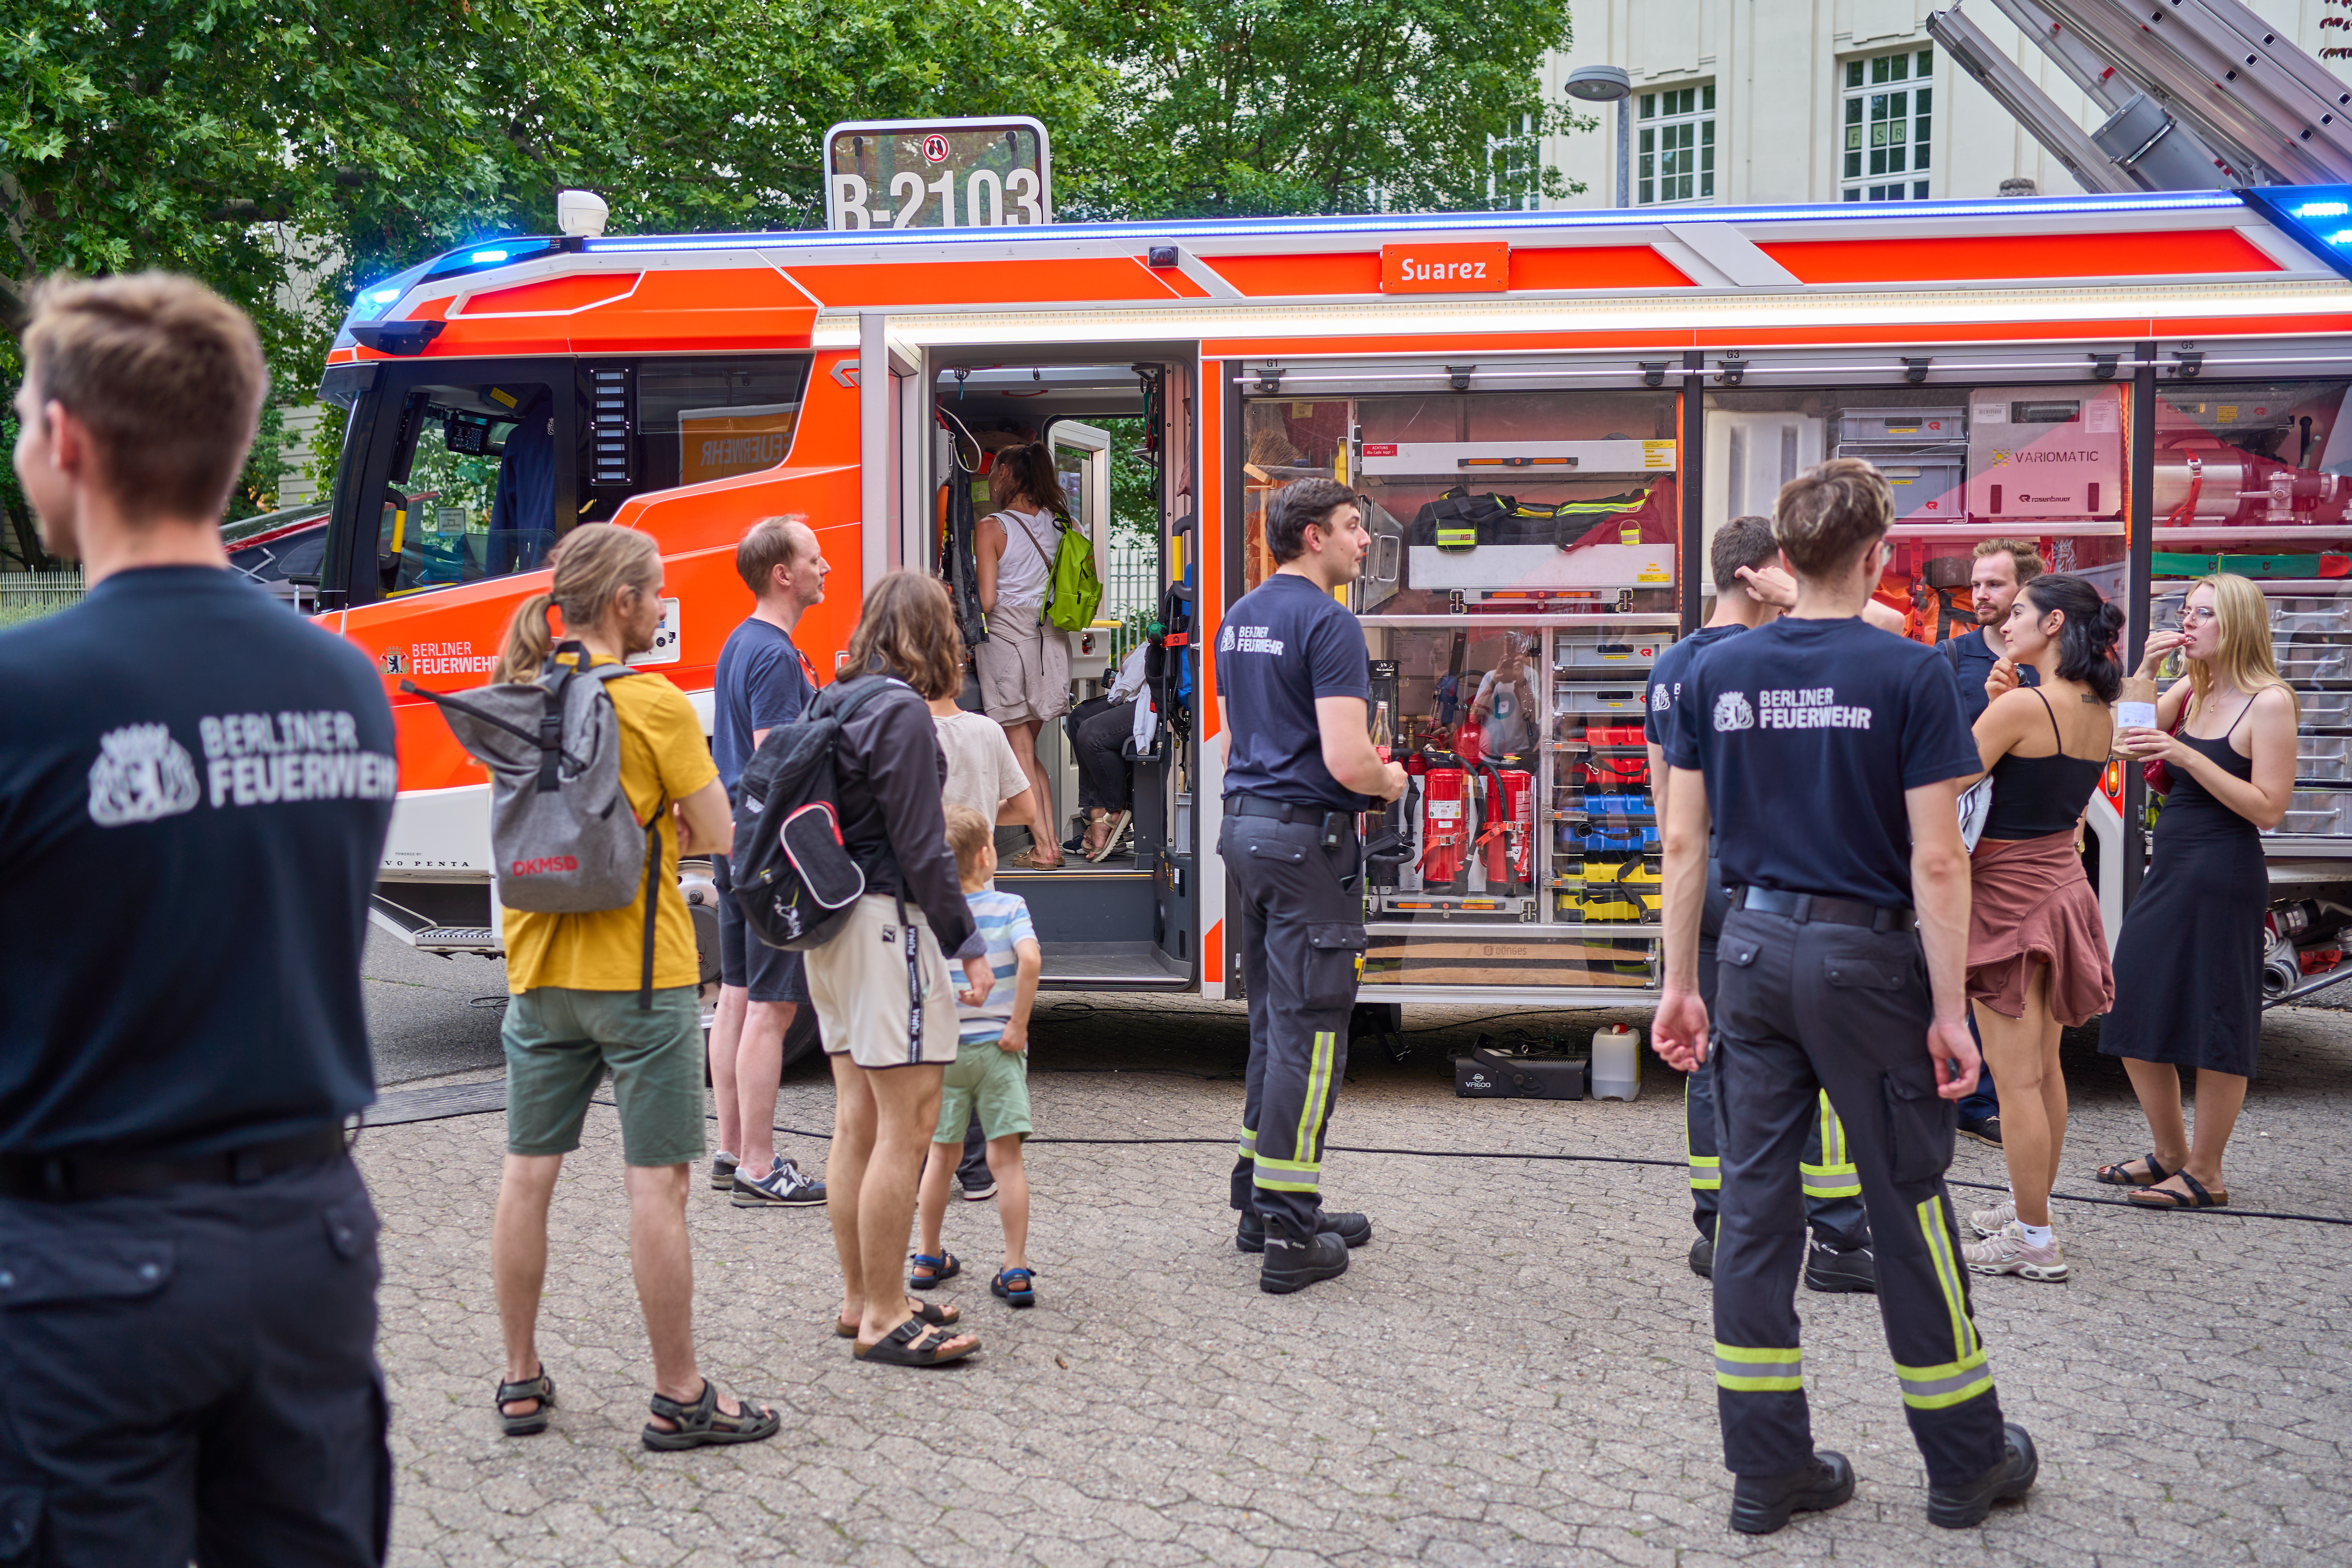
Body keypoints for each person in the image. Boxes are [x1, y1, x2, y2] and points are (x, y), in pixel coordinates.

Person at [0, 272, 396, 1563]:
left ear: (67, 441)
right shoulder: (346, 687)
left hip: (87, 1266)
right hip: (310, 1245)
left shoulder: (29, 691)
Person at [1655, 458, 2036, 1535]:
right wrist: (1952, 1009)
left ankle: (1767, 1469)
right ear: (1877, 556)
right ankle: (1967, 1460)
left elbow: (1683, 839)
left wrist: (1681, 982)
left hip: (1750, 954)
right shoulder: (1910, 674)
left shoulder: (1720, 673)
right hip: (1866, 965)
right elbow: (1940, 863)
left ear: (1782, 557)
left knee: (1755, 1213)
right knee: (1907, 1199)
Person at [487, 524, 782, 1450]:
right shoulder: (651, 705)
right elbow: (723, 830)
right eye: (655, 593)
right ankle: (678, 1391)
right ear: (622, 603)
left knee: (526, 1177)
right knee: (657, 1187)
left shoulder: (519, 697)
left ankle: (521, 1378)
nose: (661, 607)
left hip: (537, 974)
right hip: (642, 978)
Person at [1648, 517, 1874, 1295]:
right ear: (1760, 574)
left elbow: (1666, 808)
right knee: (1821, 1053)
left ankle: (1718, 1228)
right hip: (1778, 879)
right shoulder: (1776, 657)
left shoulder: (1673, 665)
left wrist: (1675, 964)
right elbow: (1888, 633)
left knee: (1709, 1060)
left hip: (1705, 877)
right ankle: (1842, 1237)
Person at [1215, 477, 1405, 1294]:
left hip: (1250, 832)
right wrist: (1392, 779)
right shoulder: (1329, 623)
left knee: (1271, 1020)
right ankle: (1293, 1230)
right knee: (1314, 1031)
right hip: (1308, 844)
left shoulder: (1239, 617)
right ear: (1310, 537)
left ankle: (1262, 1202)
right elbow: (1345, 758)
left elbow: (1228, 741)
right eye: (1353, 528)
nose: (1364, 542)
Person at [809, 572, 995, 1366]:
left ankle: (862, 1295)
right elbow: (922, 846)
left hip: (832, 928)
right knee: (909, 1123)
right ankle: (888, 1313)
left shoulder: (836, 699)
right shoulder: (903, 714)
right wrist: (968, 942)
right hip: (889, 929)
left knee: (856, 1118)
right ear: (933, 633)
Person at [2100, 575, 2295, 1210]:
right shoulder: (2195, 686)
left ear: (2235, 623)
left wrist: (2187, 759)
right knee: (2129, 995)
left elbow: (2268, 809)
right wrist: (2146, 670)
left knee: (2217, 1017)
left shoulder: (2268, 702)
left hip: (2225, 871)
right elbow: (2124, 743)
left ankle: (2207, 1172)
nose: (2189, 623)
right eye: (2185, 612)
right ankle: (2171, 1152)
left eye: (2203, 614)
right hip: (2175, 865)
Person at [1955, 574, 2121, 1282]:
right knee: (2046, 1070)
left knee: (2015, 1078)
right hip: (2061, 886)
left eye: (2018, 610)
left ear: (2054, 624)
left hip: (2008, 896)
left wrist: (1996, 710)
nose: (2006, 620)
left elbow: (1945, 780)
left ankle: (2034, 1238)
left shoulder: (2024, 705)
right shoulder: (2096, 709)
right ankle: (2033, 1208)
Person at [708, 516, 829, 1208]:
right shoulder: (778, 657)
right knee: (773, 1010)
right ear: (784, 574)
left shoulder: (739, 643)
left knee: (736, 997)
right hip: (770, 857)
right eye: (815, 559)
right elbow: (777, 764)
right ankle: (759, 1165)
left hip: (734, 843)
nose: (826, 568)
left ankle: (731, 1149)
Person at [912, 806, 1044, 1307]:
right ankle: (1014, 1268)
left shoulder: (931, 917)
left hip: (945, 1053)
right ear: (988, 855)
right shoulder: (1011, 905)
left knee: (941, 1158)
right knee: (1006, 1162)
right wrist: (1018, 1021)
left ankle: (927, 1255)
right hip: (999, 1049)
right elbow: (1030, 958)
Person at [1940, 537, 2045, 1149]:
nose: (1980, 596)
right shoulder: (1950, 659)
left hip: (2028, 841)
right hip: (1960, 840)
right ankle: (1965, 1097)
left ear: (2025, 594)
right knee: (1954, 967)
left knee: (2005, 978)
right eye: (1977, 584)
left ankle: (1993, 1094)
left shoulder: (2050, 666)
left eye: (1996, 586)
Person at [927, 672, 1043, 1204]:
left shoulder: (897, 730)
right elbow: (1025, 809)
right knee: (976, 1028)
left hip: (923, 898)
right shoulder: (987, 732)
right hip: (977, 900)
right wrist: (978, 822)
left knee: (929, 1029)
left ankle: (924, 1163)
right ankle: (977, 1172)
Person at [973, 442, 1073, 869]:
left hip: (1008, 644)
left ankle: (1047, 848)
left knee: (1020, 752)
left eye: (997, 471)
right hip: (1050, 644)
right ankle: (1048, 842)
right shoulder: (1065, 524)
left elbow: (989, 600)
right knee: (1028, 751)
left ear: (1010, 477)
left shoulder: (992, 527)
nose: (992, 479)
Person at [1066, 639, 1151, 860]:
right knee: (1079, 717)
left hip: (1159, 696)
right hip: (1143, 686)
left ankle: (1113, 810)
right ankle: (1100, 810)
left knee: (1092, 735)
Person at [1468, 632, 1539, 759]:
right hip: (1491, 751)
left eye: (1516, 651)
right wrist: (1495, 680)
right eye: (1509, 650)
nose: (1512, 656)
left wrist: (1521, 682)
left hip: (1519, 752)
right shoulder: (1491, 677)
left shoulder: (1529, 674)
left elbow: (1533, 717)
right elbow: (1474, 716)